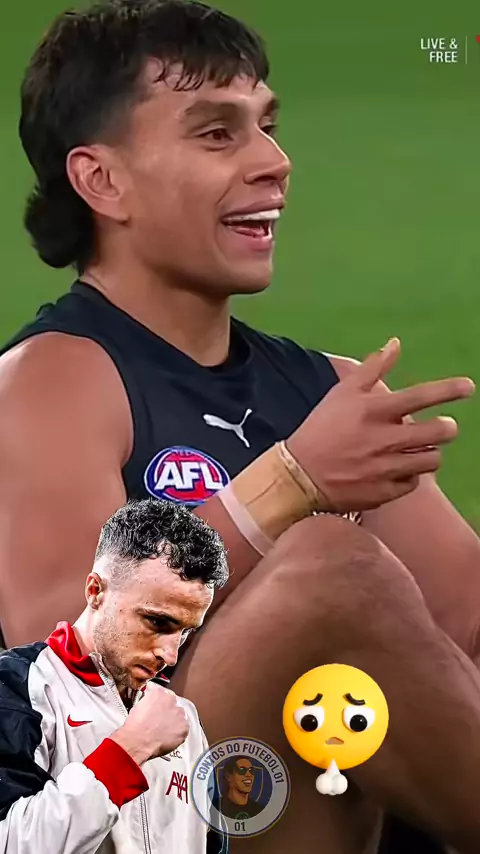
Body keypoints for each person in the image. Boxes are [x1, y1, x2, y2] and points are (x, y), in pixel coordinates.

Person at [1, 0, 480, 851]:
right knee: (327, 567)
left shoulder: (323, 388)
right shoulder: (49, 379)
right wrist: (290, 485)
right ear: (102, 181)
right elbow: (61, 668)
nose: (274, 161)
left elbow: (467, 617)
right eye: (218, 134)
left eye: (267, 126)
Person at [0, 497, 229, 854]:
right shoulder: (18, 687)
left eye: (185, 632)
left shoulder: (183, 717)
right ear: (95, 591)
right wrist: (129, 749)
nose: (170, 655)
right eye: (157, 622)